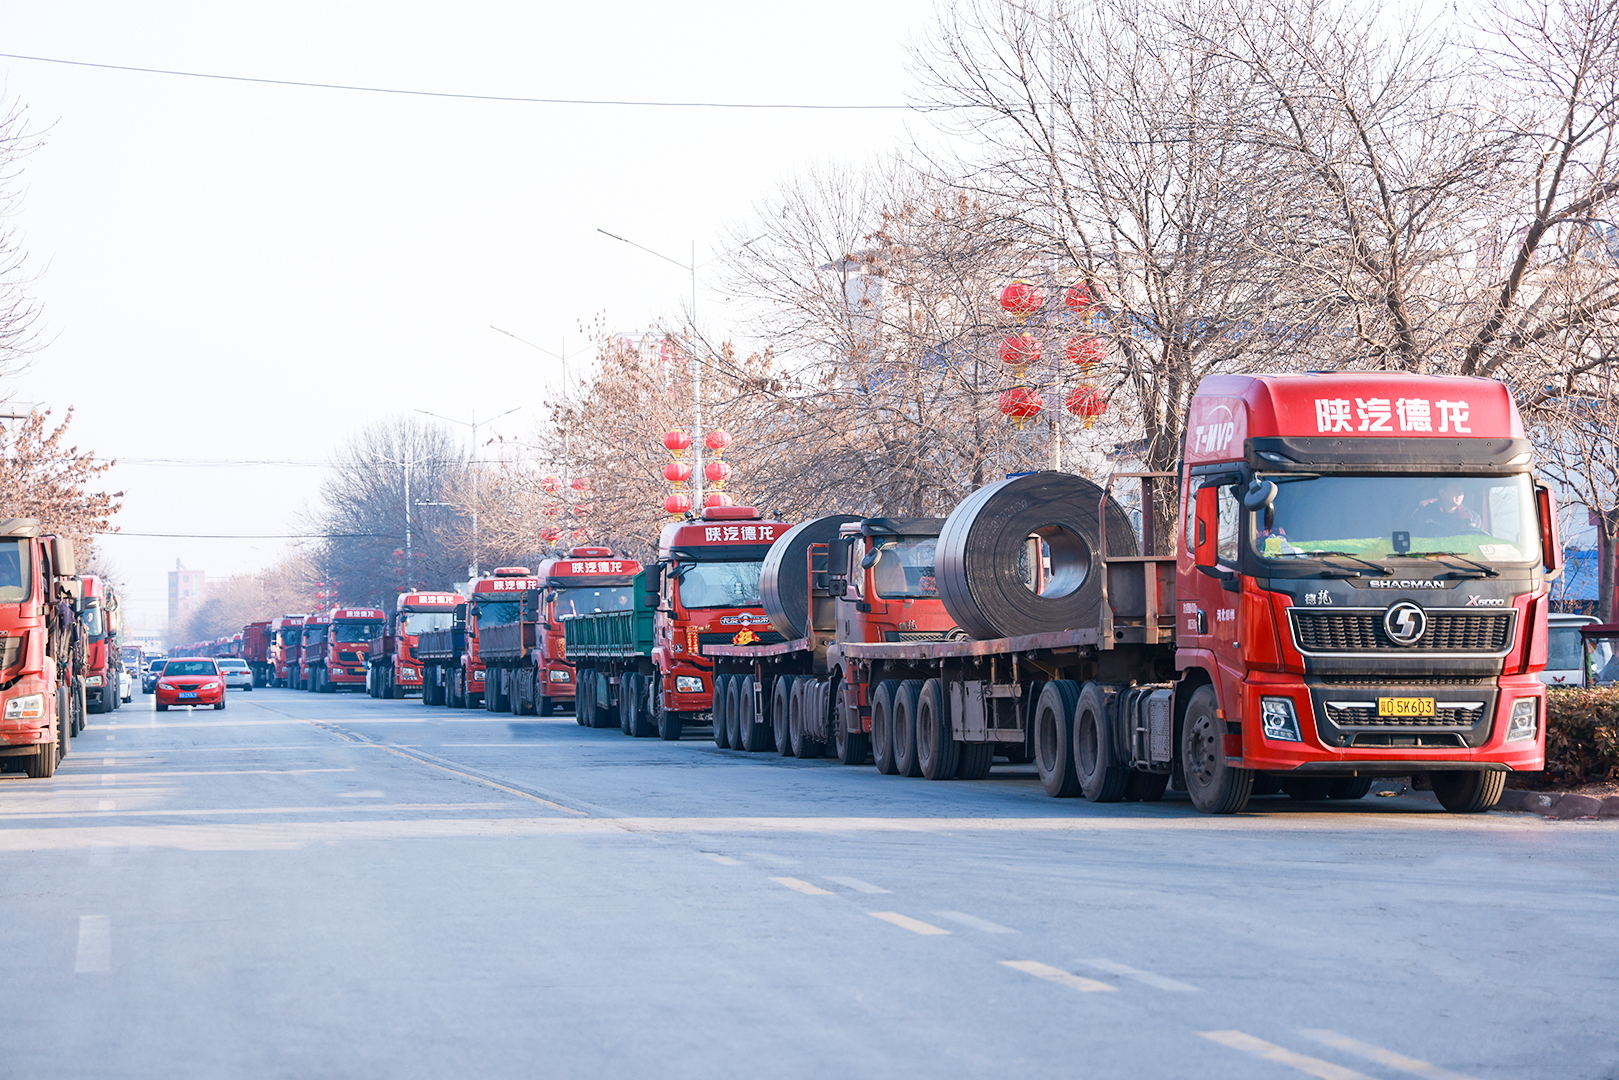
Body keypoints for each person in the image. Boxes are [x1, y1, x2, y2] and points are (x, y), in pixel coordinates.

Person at [1415, 481, 1480, 532]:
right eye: (1455, 489)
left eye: (1462, 490)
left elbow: (1479, 542)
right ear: (1442, 493)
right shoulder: (1425, 514)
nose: (1460, 493)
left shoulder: (1473, 518)